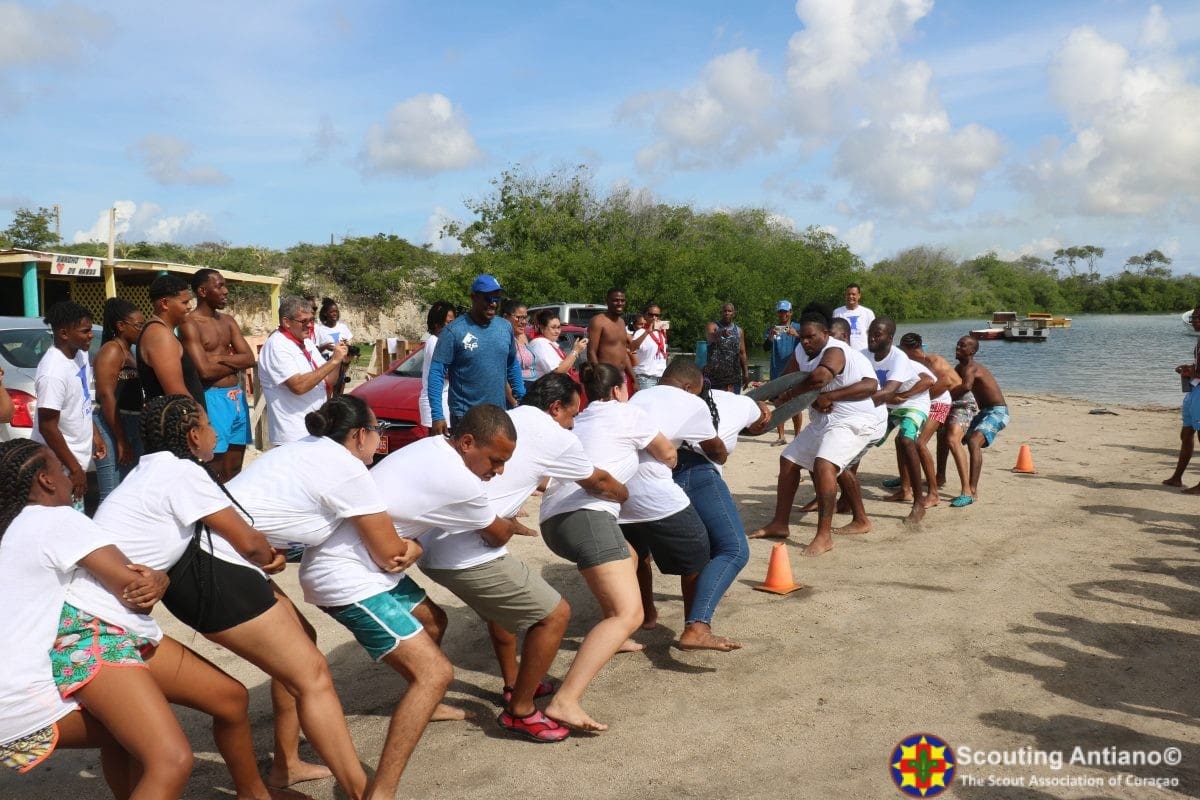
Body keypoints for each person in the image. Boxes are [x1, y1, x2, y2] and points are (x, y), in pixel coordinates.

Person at [90, 394, 369, 798]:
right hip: (115, 621)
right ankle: (362, 791)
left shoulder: (144, 474)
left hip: (129, 611)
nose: (215, 434)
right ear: (192, 436)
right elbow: (248, 542)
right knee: (312, 675)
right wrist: (270, 558)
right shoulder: (181, 473)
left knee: (232, 697)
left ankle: (274, 777)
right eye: (207, 426)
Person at [301, 404, 524, 795]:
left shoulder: (434, 446)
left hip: (371, 564)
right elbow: (496, 534)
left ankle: (427, 703)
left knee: (434, 619)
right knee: (435, 674)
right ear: (467, 443)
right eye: (495, 460)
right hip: (347, 577)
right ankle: (382, 792)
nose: (500, 470)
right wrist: (510, 522)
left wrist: (416, 544)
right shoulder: (461, 481)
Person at [418, 374, 627, 742]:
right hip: (464, 549)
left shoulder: (507, 419)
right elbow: (599, 482)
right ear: (555, 408)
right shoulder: (556, 436)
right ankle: (521, 711)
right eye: (572, 414)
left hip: (435, 543)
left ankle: (514, 683)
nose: (573, 423)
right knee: (554, 614)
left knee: (504, 604)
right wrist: (625, 495)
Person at [225, 394, 417, 786]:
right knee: (304, 663)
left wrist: (274, 550)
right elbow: (390, 555)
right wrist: (417, 546)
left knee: (300, 643)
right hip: (219, 558)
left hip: (230, 550)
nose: (379, 437)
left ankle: (287, 764)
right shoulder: (346, 468)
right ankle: (357, 788)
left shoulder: (305, 448)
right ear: (358, 435)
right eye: (378, 429)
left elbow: (268, 508)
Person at [0, 438, 184, 796]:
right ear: (45, 480)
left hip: (10, 699)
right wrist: (160, 578)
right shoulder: (55, 519)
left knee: (132, 735)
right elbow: (137, 595)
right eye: (61, 468)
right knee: (169, 757)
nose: (71, 476)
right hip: (20, 702)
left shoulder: (10, 530)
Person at [537, 363, 675, 731]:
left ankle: (616, 638)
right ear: (617, 390)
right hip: (587, 517)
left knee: (629, 555)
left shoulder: (579, 420)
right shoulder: (628, 413)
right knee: (629, 614)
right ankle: (565, 700)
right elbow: (668, 454)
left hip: (553, 522)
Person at [622, 358, 738, 650]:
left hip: (623, 486)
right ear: (688, 387)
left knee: (639, 552)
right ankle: (695, 625)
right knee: (705, 552)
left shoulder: (638, 396)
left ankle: (647, 614)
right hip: (655, 485)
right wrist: (722, 452)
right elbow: (715, 450)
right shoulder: (692, 403)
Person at [748, 307, 882, 556]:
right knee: (788, 460)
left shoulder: (835, 350)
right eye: (803, 337)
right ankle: (780, 523)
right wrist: (764, 398)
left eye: (812, 337)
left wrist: (796, 395)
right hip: (823, 421)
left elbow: (820, 378)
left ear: (826, 333)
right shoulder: (801, 350)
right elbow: (785, 379)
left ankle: (824, 536)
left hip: (854, 420)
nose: (806, 342)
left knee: (824, 465)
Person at [181, 268, 257, 482]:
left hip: (236, 397)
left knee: (235, 468)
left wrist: (218, 359)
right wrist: (234, 361)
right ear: (203, 291)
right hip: (212, 398)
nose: (225, 291)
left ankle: (233, 502)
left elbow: (249, 358)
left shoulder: (228, 321)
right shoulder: (190, 323)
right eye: (219, 286)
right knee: (215, 466)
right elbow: (204, 371)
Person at [31, 301, 105, 511]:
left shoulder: (80, 354)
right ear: (64, 333)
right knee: (64, 523)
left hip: (74, 461)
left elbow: (82, 399)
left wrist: (95, 434)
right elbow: (47, 427)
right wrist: (74, 469)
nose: (90, 335)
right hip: (58, 466)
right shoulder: (53, 373)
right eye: (85, 331)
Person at [428, 275, 525, 434]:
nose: (493, 303)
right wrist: (437, 415)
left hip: (498, 414)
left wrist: (521, 396)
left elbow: (512, 363)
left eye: (497, 298)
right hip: (466, 417)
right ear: (473, 297)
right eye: (488, 298)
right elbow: (436, 373)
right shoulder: (453, 331)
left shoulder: (505, 327)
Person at [864, 318, 934, 525]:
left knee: (906, 440)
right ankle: (845, 500)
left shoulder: (899, 358)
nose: (872, 338)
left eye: (877, 334)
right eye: (870, 333)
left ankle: (919, 503)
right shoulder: (863, 355)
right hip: (888, 403)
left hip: (914, 404)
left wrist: (904, 396)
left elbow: (929, 380)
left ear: (890, 338)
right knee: (862, 439)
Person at [258, 295, 349, 446]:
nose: (310, 326)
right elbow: (298, 386)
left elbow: (328, 380)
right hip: (293, 434)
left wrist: (340, 360)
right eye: (304, 321)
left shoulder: (306, 342)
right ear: (286, 322)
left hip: (315, 429)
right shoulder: (277, 345)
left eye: (311, 320)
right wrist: (333, 361)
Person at [897, 333, 960, 505]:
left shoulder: (933, 362)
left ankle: (933, 494)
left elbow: (947, 382)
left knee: (920, 443)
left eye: (901, 349)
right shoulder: (911, 362)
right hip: (924, 403)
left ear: (909, 349)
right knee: (901, 440)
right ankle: (905, 488)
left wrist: (919, 398)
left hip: (940, 403)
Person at [93, 298, 144, 500]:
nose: (142, 330)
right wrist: (121, 439)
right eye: (138, 325)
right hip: (113, 424)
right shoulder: (112, 350)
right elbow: (106, 395)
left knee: (130, 489)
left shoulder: (130, 351)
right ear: (121, 326)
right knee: (112, 494)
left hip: (132, 422)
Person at [949, 336, 1009, 507]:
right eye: (957, 344)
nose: (958, 347)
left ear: (972, 351)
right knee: (951, 435)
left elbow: (966, 387)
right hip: (983, 412)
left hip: (998, 412)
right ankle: (939, 477)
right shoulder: (959, 368)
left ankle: (972, 491)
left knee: (974, 442)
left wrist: (945, 398)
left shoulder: (972, 368)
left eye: (962, 346)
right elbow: (951, 384)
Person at [138, 273, 206, 409]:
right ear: (165, 304)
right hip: (177, 419)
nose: (189, 307)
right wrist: (201, 418)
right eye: (184, 302)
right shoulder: (160, 335)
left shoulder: (163, 332)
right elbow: (176, 392)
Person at [1166, 306, 1200, 491]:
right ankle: (1176, 477)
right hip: (1194, 389)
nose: (1194, 321)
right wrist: (1190, 368)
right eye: (1193, 317)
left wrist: (1193, 372)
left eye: (1198, 318)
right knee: (1186, 433)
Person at [763, 299, 803, 445]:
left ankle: (797, 437)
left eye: (785, 311)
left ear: (791, 312)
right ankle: (781, 436)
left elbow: (809, 344)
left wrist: (797, 335)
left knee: (795, 405)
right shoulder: (772, 329)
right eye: (780, 311)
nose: (783, 314)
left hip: (794, 373)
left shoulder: (799, 327)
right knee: (778, 404)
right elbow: (765, 348)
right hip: (776, 372)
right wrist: (770, 336)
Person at [586, 288, 636, 392]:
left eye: (622, 300)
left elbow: (623, 353)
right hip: (605, 377)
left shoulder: (621, 322)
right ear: (607, 301)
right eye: (616, 300)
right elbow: (591, 352)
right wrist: (599, 378)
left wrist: (634, 379)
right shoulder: (598, 321)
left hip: (621, 377)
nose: (620, 303)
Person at [419, 301, 456, 433]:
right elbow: (446, 373)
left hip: (445, 403)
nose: (453, 327)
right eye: (449, 322)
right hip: (440, 404)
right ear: (437, 324)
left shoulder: (440, 342)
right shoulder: (435, 342)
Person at [528, 309, 587, 380]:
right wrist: (575, 351)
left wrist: (575, 350)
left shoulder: (548, 343)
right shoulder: (540, 344)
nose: (557, 331)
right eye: (553, 327)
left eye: (558, 327)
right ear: (542, 328)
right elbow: (558, 371)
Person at [704, 303, 749, 393]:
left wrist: (746, 373)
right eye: (725, 311)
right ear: (721, 313)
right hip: (715, 377)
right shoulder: (713, 326)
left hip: (734, 377)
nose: (727, 313)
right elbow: (710, 337)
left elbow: (742, 353)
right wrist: (721, 333)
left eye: (729, 311)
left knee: (733, 401)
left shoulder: (739, 331)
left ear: (734, 313)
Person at [630, 303, 668, 390]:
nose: (654, 317)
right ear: (645, 316)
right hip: (645, 377)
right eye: (651, 315)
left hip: (660, 376)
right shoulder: (641, 332)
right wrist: (647, 332)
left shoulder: (660, 333)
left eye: (657, 315)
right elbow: (631, 348)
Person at [833, 283, 875, 352]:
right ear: (845, 295)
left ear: (859, 296)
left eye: (853, 294)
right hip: (844, 352)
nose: (851, 296)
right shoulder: (837, 312)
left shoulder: (868, 313)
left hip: (863, 352)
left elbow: (872, 333)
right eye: (848, 294)